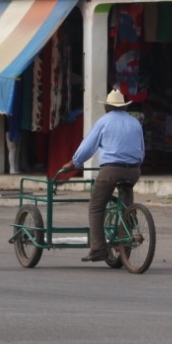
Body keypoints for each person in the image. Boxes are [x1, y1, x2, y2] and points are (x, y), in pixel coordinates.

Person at [55, 88, 145, 263]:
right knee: (127, 203)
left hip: (111, 170)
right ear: (124, 107)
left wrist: (74, 163)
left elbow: (88, 147)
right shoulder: (135, 123)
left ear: (107, 107)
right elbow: (141, 150)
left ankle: (98, 248)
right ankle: (126, 239)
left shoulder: (104, 122)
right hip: (134, 170)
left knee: (96, 207)